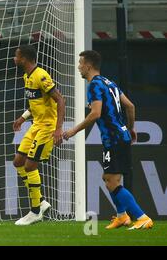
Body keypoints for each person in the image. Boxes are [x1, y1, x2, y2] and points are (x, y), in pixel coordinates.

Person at [63, 50, 153, 230]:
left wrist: (73, 130)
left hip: (113, 138)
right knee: (110, 178)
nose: (79, 66)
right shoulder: (109, 82)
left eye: (80, 63)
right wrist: (131, 128)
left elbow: (95, 114)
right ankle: (122, 216)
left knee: (111, 181)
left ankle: (142, 217)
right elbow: (130, 106)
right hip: (121, 136)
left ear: (88, 66)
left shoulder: (95, 85)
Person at [12, 44, 65, 226]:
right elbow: (36, 103)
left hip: (47, 127)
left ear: (24, 59)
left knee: (29, 166)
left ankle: (35, 211)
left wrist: (58, 129)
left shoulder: (41, 76)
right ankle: (41, 201)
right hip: (35, 125)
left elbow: (60, 100)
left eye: (16, 56)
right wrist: (22, 118)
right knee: (18, 162)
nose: (14, 59)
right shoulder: (27, 76)